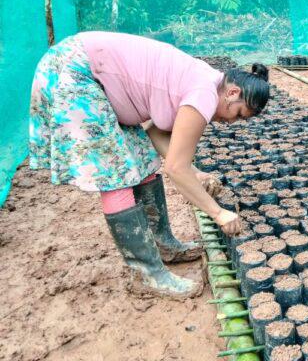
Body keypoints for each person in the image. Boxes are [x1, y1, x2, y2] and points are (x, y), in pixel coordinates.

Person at [28, 32, 269, 299]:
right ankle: (148, 274)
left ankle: (163, 245)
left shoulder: (207, 81)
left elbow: (155, 132)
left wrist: (195, 172)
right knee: (116, 174)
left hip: (90, 71)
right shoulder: (204, 93)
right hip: (75, 72)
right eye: (238, 114)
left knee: (142, 157)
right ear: (232, 92)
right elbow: (175, 168)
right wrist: (218, 213)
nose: (231, 122)